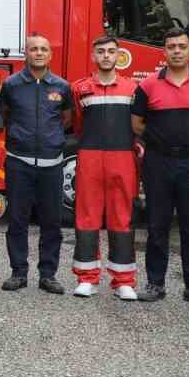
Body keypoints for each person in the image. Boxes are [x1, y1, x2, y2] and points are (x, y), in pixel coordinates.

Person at [131, 26, 189, 307]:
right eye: (171, 46)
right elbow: (136, 124)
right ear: (164, 51)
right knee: (157, 225)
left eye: (181, 46)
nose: (176, 51)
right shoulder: (147, 85)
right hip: (158, 162)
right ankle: (155, 284)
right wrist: (162, 143)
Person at [0, 34, 72, 293]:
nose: (38, 53)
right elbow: (4, 115)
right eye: (33, 49)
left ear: (50, 55)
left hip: (52, 163)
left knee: (52, 221)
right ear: (25, 53)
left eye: (43, 49)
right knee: (18, 219)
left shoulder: (61, 86)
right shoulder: (11, 85)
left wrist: (52, 141)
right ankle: (18, 272)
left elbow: (67, 119)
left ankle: (48, 274)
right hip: (19, 162)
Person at [68, 35, 140, 300]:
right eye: (101, 52)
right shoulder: (80, 89)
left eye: (111, 51)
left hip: (122, 156)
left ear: (119, 56)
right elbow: (76, 123)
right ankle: (87, 277)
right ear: (93, 56)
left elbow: (138, 124)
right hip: (90, 155)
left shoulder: (133, 89)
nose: (106, 56)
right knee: (87, 216)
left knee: (121, 217)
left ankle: (123, 280)